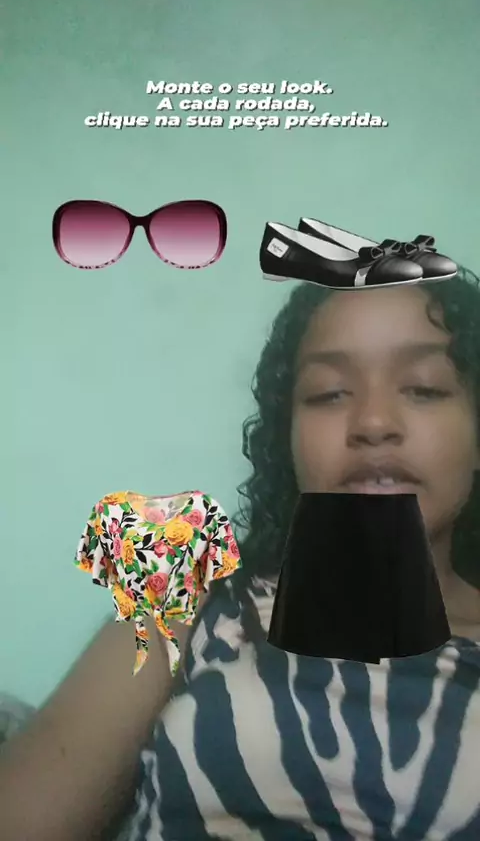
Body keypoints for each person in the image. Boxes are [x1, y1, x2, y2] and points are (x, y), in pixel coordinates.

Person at [1, 271, 480, 841]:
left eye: (424, 389)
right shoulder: (190, 603)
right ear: (288, 438)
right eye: (328, 394)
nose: (374, 423)